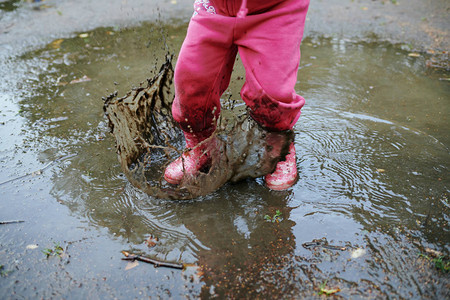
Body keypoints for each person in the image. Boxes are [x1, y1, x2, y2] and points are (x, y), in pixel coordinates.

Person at [164, 0, 310, 190]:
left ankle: (278, 148)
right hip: (214, 9)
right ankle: (202, 147)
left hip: (274, 10)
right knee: (191, 84)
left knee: (272, 93)